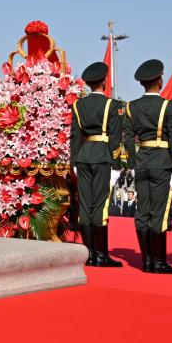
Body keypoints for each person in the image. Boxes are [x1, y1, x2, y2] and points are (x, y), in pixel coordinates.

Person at [124, 59, 172, 274]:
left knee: (143, 212)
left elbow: (128, 140)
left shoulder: (131, 107)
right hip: (162, 164)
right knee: (159, 212)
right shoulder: (168, 106)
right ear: (159, 81)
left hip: (141, 164)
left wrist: (132, 164)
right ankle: (158, 262)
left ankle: (147, 260)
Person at [70, 62, 124, 267]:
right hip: (102, 157)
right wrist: (116, 165)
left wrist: (75, 161)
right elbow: (115, 138)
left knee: (85, 205)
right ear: (104, 81)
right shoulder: (112, 105)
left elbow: (74, 137)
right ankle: (101, 256)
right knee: (100, 206)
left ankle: (89, 254)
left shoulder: (77, 105)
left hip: (83, 156)